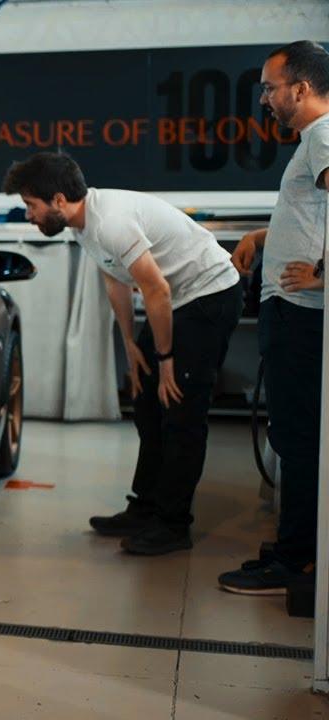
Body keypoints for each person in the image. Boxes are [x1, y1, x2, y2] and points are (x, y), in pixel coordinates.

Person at [3, 152, 242, 555]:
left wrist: (166, 361)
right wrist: (131, 343)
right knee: (147, 404)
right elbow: (115, 278)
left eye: (31, 205)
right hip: (175, 300)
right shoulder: (82, 224)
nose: (29, 215)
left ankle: (172, 525)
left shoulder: (110, 221)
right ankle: (145, 507)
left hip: (208, 295)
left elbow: (157, 290)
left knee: (181, 413)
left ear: (58, 200)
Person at [220, 40, 329, 595]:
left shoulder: (324, 134)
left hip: (301, 316)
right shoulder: (314, 141)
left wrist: (324, 274)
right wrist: (263, 236)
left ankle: (297, 562)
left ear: (301, 88)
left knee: (298, 439)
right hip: (292, 312)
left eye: (270, 87)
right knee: (292, 436)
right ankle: (299, 547)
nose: (264, 98)